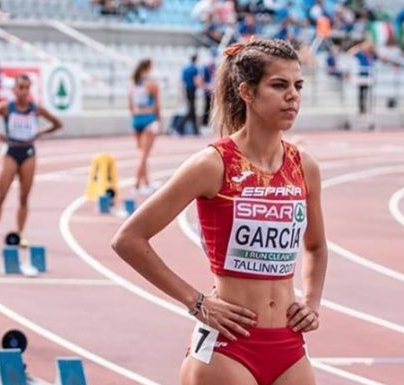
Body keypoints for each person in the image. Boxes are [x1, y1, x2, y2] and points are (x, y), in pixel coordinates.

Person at [112, 39, 328, 385]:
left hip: (288, 345)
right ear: (247, 92)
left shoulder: (304, 166)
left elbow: (315, 246)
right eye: (279, 85)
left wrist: (312, 303)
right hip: (228, 347)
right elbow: (129, 239)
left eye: (297, 86)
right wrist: (195, 302)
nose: (293, 96)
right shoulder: (212, 164)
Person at [0, 74, 62, 249]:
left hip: (28, 151)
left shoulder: (36, 109)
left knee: (24, 197)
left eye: (27, 88)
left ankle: (21, 234)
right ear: (14, 89)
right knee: (0, 195)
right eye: (20, 87)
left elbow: (57, 123)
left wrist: (40, 133)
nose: (23, 91)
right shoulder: (6, 108)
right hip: (11, 150)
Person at [128, 58, 161, 195]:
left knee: (142, 153)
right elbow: (157, 105)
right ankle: (136, 184)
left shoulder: (132, 84)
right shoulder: (152, 84)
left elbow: (129, 105)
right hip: (148, 119)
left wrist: (135, 116)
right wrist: (158, 121)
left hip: (136, 119)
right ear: (148, 68)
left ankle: (146, 183)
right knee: (144, 155)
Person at [347, 40, 378, 115]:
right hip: (362, 75)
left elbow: (381, 56)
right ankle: (361, 108)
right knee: (361, 92)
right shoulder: (360, 54)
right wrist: (360, 47)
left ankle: (369, 108)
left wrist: (372, 47)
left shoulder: (372, 54)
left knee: (369, 93)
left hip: (369, 75)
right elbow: (350, 53)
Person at [176, 54, 202, 136]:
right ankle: (179, 127)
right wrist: (201, 88)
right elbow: (196, 80)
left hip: (187, 89)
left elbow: (181, 81)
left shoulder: (185, 68)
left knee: (192, 109)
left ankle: (195, 130)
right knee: (191, 109)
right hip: (192, 90)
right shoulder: (194, 68)